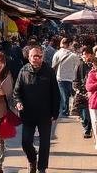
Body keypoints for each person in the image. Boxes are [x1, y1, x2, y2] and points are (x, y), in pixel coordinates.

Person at [13, 44, 60, 173]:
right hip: (28, 114)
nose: (36, 58)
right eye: (34, 56)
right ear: (29, 57)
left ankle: (42, 167)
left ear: (42, 56)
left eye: (39, 56)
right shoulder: (23, 71)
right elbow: (16, 92)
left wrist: (55, 113)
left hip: (45, 114)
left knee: (44, 143)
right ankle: (32, 159)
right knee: (26, 142)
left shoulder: (49, 71)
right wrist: (18, 102)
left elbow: (55, 93)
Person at [50, 37, 81, 118]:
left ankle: (64, 111)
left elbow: (53, 66)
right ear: (69, 44)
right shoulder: (74, 55)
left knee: (63, 95)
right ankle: (66, 110)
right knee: (68, 95)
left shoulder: (57, 54)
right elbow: (78, 65)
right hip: (71, 78)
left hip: (60, 77)